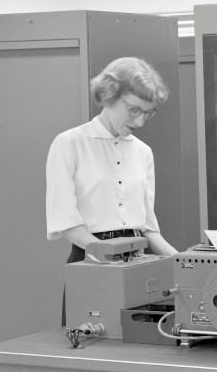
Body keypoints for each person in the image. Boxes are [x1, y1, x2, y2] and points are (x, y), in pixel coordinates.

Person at [46, 56, 177, 263]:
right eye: (134, 110)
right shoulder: (69, 144)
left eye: (148, 113)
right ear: (109, 95)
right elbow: (65, 223)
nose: (140, 121)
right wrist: (109, 256)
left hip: (138, 258)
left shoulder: (143, 152)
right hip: (91, 258)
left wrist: (185, 262)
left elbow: (149, 229)